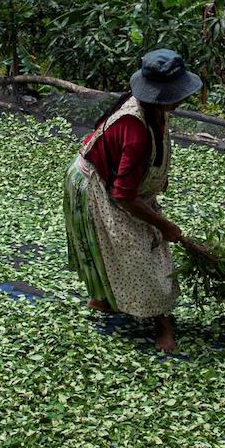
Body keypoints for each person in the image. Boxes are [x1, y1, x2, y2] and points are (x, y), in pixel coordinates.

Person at [64, 49, 204, 352]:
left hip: (116, 182)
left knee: (128, 241)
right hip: (95, 183)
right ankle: (161, 323)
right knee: (141, 249)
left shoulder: (154, 112)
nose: (181, 99)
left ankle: (103, 300)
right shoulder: (135, 128)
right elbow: (123, 195)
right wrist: (164, 224)